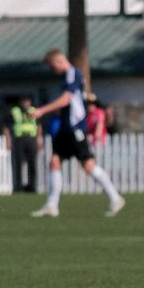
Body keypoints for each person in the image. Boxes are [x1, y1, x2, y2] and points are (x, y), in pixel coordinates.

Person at [30, 49, 125, 218]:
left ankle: (115, 197)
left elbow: (66, 99)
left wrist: (42, 110)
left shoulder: (73, 74)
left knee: (88, 165)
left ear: (59, 61)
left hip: (75, 128)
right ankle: (52, 206)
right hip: (66, 128)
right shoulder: (66, 76)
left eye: (53, 66)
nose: (54, 70)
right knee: (54, 162)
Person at [4, 94, 41, 194]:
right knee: (18, 163)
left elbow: (38, 125)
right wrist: (8, 139)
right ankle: (18, 187)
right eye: (24, 101)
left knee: (32, 163)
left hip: (31, 138)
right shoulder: (15, 111)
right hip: (19, 138)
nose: (26, 103)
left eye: (27, 101)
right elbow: (6, 125)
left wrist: (38, 138)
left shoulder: (34, 110)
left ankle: (32, 187)